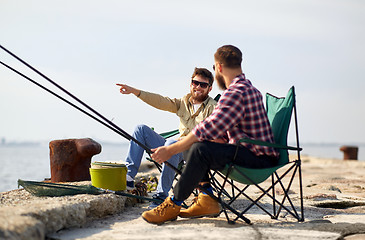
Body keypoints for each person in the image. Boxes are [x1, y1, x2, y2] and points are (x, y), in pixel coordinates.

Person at [142, 45, 280, 224]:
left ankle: (174, 203)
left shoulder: (236, 92)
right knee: (194, 144)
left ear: (219, 68)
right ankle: (206, 198)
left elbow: (210, 126)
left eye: (215, 69)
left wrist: (171, 150)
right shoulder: (248, 88)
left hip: (257, 159)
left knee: (199, 148)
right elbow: (219, 128)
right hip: (253, 153)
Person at [116, 67, 217, 208]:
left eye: (203, 85)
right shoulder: (184, 102)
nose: (198, 87)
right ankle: (129, 177)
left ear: (209, 88)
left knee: (171, 143)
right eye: (195, 83)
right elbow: (161, 101)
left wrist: (178, 142)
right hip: (174, 145)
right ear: (191, 83)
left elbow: (210, 136)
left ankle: (161, 195)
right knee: (140, 129)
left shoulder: (213, 108)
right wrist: (135, 92)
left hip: (192, 151)